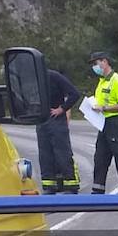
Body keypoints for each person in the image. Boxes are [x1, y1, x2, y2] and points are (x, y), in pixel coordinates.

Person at [88, 51, 118, 194]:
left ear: (104, 61)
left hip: (116, 122)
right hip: (103, 123)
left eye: (96, 63)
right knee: (100, 157)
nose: (95, 67)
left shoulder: (117, 81)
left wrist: (104, 108)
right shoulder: (102, 82)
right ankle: (97, 189)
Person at [36, 66, 81, 194]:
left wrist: (62, 109)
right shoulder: (31, 80)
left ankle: (70, 185)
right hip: (41, 120)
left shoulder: (53, 76)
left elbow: (74, 94)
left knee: (62, 153)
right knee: (45, 155)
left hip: (56, 120)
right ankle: (49, 186)